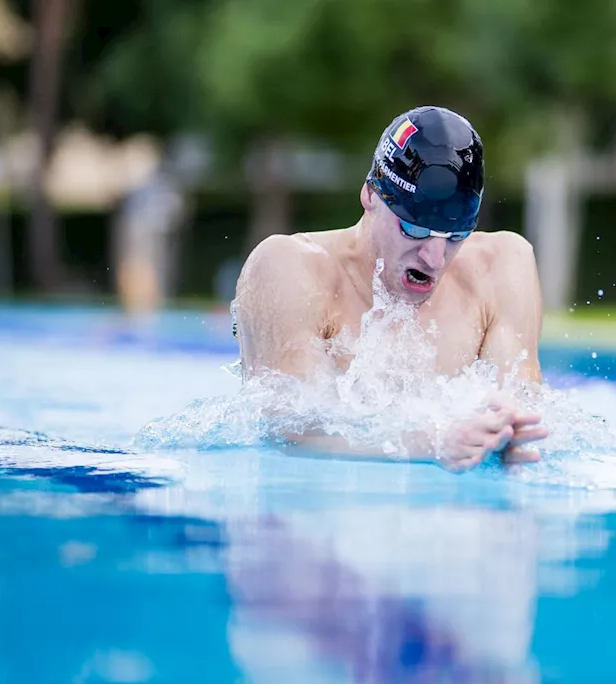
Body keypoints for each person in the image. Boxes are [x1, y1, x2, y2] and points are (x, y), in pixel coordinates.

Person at [232, 106, 549, 472]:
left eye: (455, 237)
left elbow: (520, 401)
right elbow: (286, 426)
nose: (434, 258)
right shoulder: (289, 267)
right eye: (413, 230)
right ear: (370, 196)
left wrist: (508, 436)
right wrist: (430, 440)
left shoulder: (503, 266)